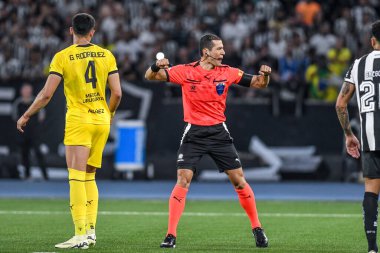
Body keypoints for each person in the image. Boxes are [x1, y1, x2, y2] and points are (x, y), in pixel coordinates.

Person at [145, 34, 271, 249]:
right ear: (206, 52)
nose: (223, 52)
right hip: (194, 133)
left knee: (239, 181)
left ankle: (258, 229)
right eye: (219, 49)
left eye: (223, 49)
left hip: (218, 133)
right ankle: (170, 235)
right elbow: (150, 77)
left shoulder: (228, 72)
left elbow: (259, 84)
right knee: (183, 180)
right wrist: (155, 66)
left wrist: (265, 75)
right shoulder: (186, 71)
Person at [16, 13, 122, 249]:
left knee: (75, 178)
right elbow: (117, 93)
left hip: (79, 120)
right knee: (90, 176)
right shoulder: (107, 55)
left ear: (70, 30)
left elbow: (46, 95)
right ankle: (91, 231)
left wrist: (26, 114)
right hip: (101, 120)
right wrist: (109, 114)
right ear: (92, 32)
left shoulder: (63, 57)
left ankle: (80, 233)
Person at [336, 20, 380, 253]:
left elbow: (341, 104)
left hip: (371, 138)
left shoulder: (359, 64)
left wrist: (349, 135)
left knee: (371, 190)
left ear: (372, 41)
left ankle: (372, 248)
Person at [12, 83, 48, 180]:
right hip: (23, 134)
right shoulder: (18, 103)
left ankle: (45, 176)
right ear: (21, 91)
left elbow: (41, 117)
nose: (27, 92)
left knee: (38, 153)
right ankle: (27, 175)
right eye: (25, 90)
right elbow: (15, 117)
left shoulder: (36, 102)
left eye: (28, 90)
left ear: (31, 91)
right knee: (25, 154)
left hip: (35, 134)